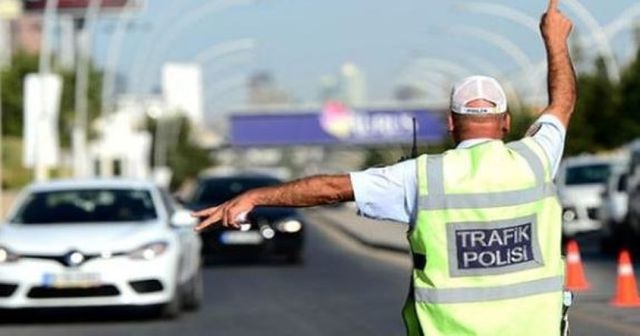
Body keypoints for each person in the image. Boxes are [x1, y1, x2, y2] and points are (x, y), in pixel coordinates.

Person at [193, 0, 575, 334]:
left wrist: (257, 196)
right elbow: (562, 103)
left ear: (450, 123)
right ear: (506, 123)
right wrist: (555, 41)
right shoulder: (536, 158)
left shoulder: (422, 176)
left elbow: (330, 189)